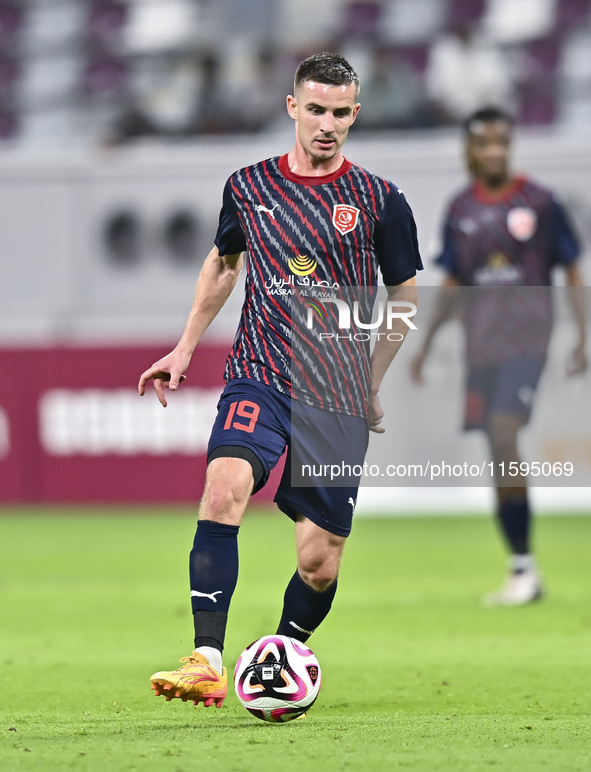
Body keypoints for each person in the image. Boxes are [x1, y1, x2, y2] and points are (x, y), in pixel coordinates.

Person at [138, 52, 422, 708]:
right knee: (223, 488)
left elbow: (404, 294)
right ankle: (205, 657)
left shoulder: (379, 200)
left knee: (318, 562)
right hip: (258, 374)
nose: (326, 123)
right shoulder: (249, 186)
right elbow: (222, 263)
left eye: (340, 112)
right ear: (292, 107)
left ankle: (282, 651)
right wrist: (184, 347)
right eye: (315, 109)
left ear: (355, 114)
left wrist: (371, 378)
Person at [411, 106, 586, 606]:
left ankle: (525, 570)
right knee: (495, 447)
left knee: (505, 433)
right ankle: (522, 568)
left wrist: (580, 336)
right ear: (469, 148)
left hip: (528, 342)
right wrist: (425, 345)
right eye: (484, 143)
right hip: (480, 349)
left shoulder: (541, 202)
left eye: (502, 142)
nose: (494, 151)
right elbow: (453, 283)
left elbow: (571, 266)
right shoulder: (461, 209)